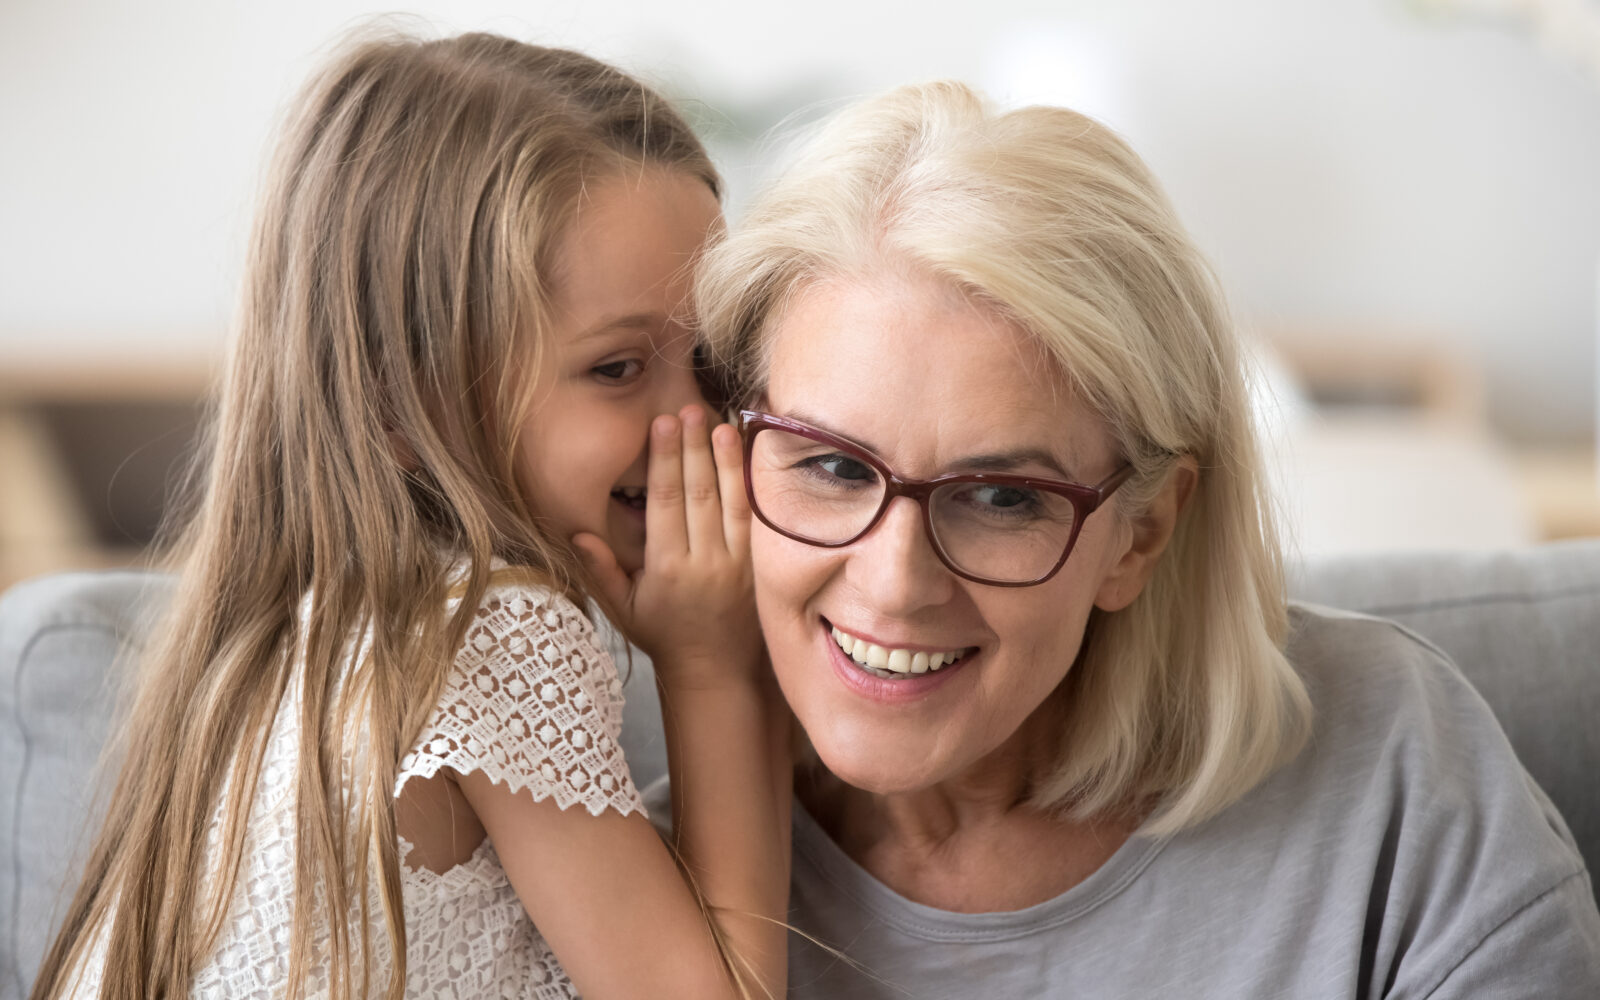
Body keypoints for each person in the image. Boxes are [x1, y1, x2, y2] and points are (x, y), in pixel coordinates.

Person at [690, 81, 1600, 996]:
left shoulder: (1395, 782)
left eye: (1004, 496)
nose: (894, 583)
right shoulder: (633, 886)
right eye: (834, 468)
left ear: (1142, 533)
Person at [30, 31, 789, 1000]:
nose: (697, 418)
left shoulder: (293, 634)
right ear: (400, 405)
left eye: (711, 358)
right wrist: (713, 667)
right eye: (617, 367)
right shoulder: (491, 626)